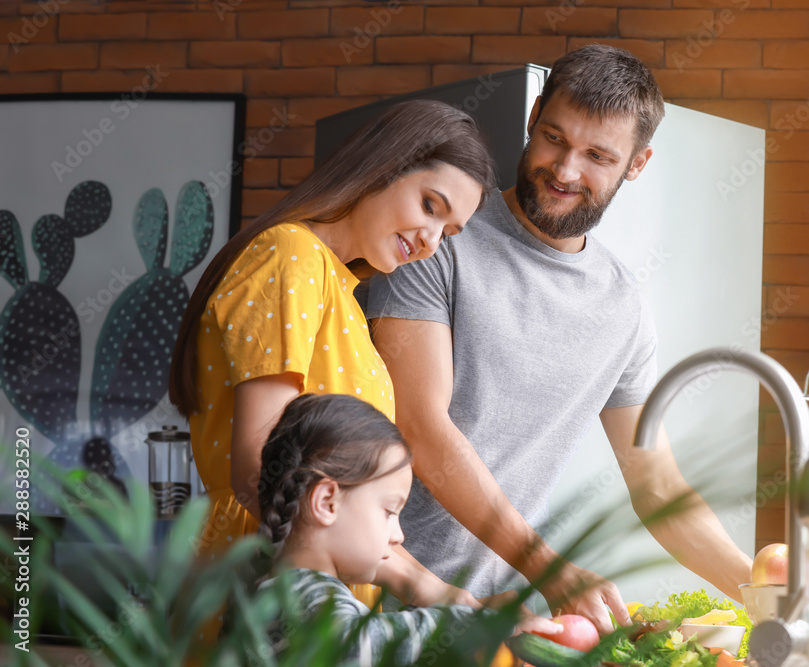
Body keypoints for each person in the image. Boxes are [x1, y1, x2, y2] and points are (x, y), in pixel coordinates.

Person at [366, 45, 753, 633]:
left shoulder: (622, 306)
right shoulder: (439, 240)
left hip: (510, 621)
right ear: (533, 117)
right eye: (554, 138)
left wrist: (765, 590)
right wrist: (549, 567)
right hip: (389, 599)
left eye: (597, 155)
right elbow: (422, 425)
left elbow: (656, 484)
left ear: (637, 163)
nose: (565, 170)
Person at [168, 99, 495, 612]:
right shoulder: (291, 256)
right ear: (383, 167)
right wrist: (440, 597)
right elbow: (261, 472)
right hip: (265, 598)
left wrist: (454, 599)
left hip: (318, 599)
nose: (431, 241)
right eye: (431, 206)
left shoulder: (341, 292)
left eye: (448, 233)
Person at [253, 393, 561, 663]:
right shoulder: (295, 594)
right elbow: (357, 646)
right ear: (327, 502)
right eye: (389, 511)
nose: (398, 535)